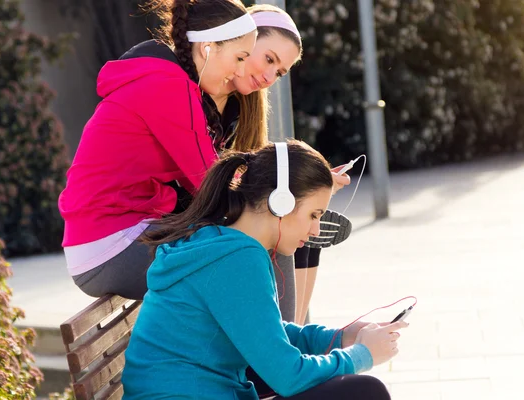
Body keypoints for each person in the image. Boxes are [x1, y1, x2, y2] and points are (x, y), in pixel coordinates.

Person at [122, 141, 407, 399]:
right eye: (313, 215)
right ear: (280, 201)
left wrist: (340, 337)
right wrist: (362, 355)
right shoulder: (236, 259)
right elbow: (288, 376)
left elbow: (266, 331)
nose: (316, 229)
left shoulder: (219, 243)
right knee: (364, 392)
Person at [58, 0, 257, 300]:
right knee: (257, 246)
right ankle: (282, 345)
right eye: (240, 58)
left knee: (257, 239)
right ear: (208, 47)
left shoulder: (162, 78)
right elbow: (211, 183)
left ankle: (279, 342)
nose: (240, 70)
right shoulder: (170, 88)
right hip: (112, 245)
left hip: (111, 238)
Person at [208, 4, 352, 325]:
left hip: (213, 212)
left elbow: (250, 171)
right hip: (189, 218)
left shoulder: (242, 107)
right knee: (281, 229)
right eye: (269, 59)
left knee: (301, 236)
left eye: (280, 72)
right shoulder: (205, 94)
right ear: (243, 40)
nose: (270, 76)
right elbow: (210, 180)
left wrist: (307, 182)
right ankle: (287, 350)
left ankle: (293, 339)